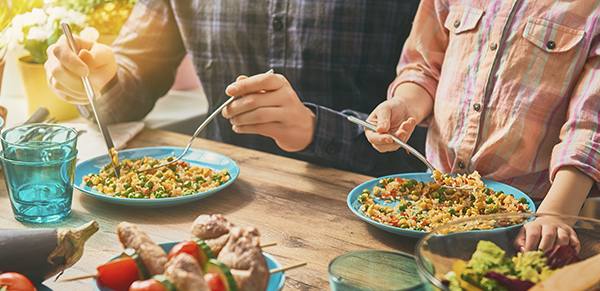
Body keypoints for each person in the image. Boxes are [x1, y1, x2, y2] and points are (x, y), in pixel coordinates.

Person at [44, 0, 427, 177]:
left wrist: (316, 129)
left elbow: (435, 139)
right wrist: (99, 78)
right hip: (213, 197)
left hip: (372, 208)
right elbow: (129, 83)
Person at [364, 0, 600, 253]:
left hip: (532, 220)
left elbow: (589, 127)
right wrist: (405, 106)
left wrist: (555, 215)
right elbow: (424, 68)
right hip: (432, 202)